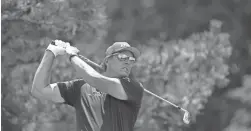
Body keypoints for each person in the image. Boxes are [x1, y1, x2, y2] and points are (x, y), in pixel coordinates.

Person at [67, 41, 144, 131]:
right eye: (122, 57)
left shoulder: (134, 87)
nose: (128, 62)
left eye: (131, 60)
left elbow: (93, 78)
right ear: (107, 60)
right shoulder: (91, 91)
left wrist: (73, 56)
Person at [31, 40, 105, 131]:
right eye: (121, 58)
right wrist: (51, 52)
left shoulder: (125, 88)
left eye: (127, 60)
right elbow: (39, 90)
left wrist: (74, 56)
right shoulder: (83, 88)